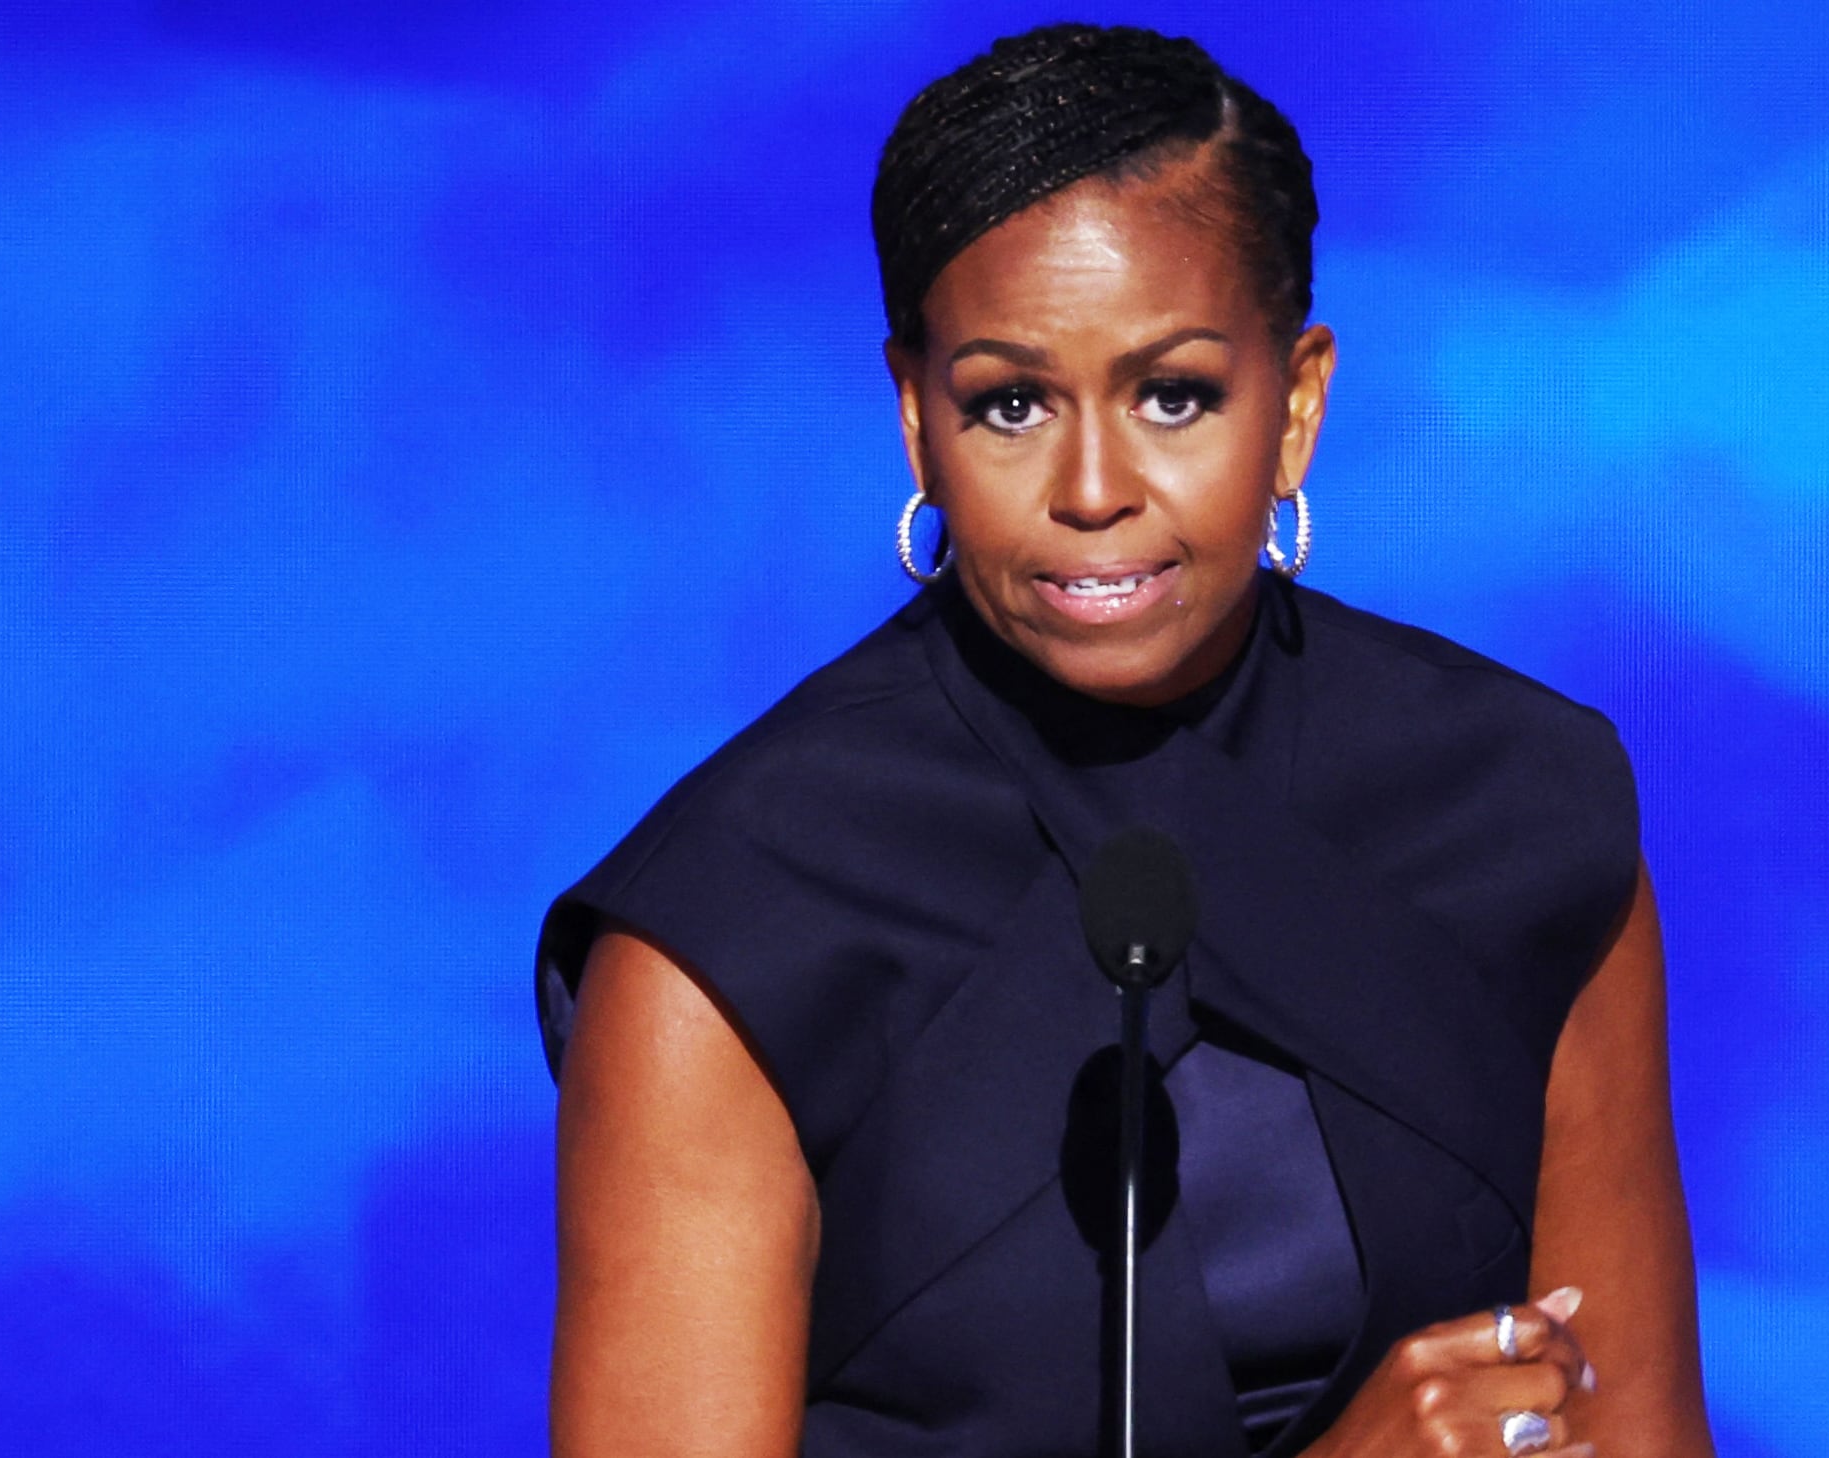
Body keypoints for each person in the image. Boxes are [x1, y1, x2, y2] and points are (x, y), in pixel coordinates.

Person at [536, 22, 1714, 1458]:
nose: (1093, 488)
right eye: (1011, 403)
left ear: (1296, 404)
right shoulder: (727, 936)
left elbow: (1629, 1431)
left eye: (1174, 394)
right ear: (917, 418)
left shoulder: (1523, 809)